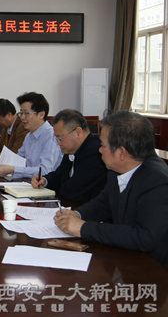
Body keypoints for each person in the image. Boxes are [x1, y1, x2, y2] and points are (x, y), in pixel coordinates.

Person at [55, 111, 168, 267]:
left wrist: (83, 228)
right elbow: (104, 202)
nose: (99, 150)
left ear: (122, 153)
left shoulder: (157, 182)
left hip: (153, 269)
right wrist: (77, 214)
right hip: (126, 258)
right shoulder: (116, 170)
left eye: (103, 145)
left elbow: (145, 238)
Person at [31, 109, 106, 204]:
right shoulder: (71, 149)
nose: (58, 143)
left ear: (78, 132)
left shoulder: (96, 152)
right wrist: (44, 180)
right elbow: (58, 175)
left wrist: (59, 185)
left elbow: (73, 191)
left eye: (60, 138)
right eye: (56, 138)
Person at [0, 92, 62, 179]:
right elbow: (17, 159)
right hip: (28, 183)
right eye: (21, 113)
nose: (22, 117)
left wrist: (13, 169)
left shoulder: (51, 136)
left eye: (26, 113)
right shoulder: (29, 136)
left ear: (41, 114)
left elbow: (45, 171)